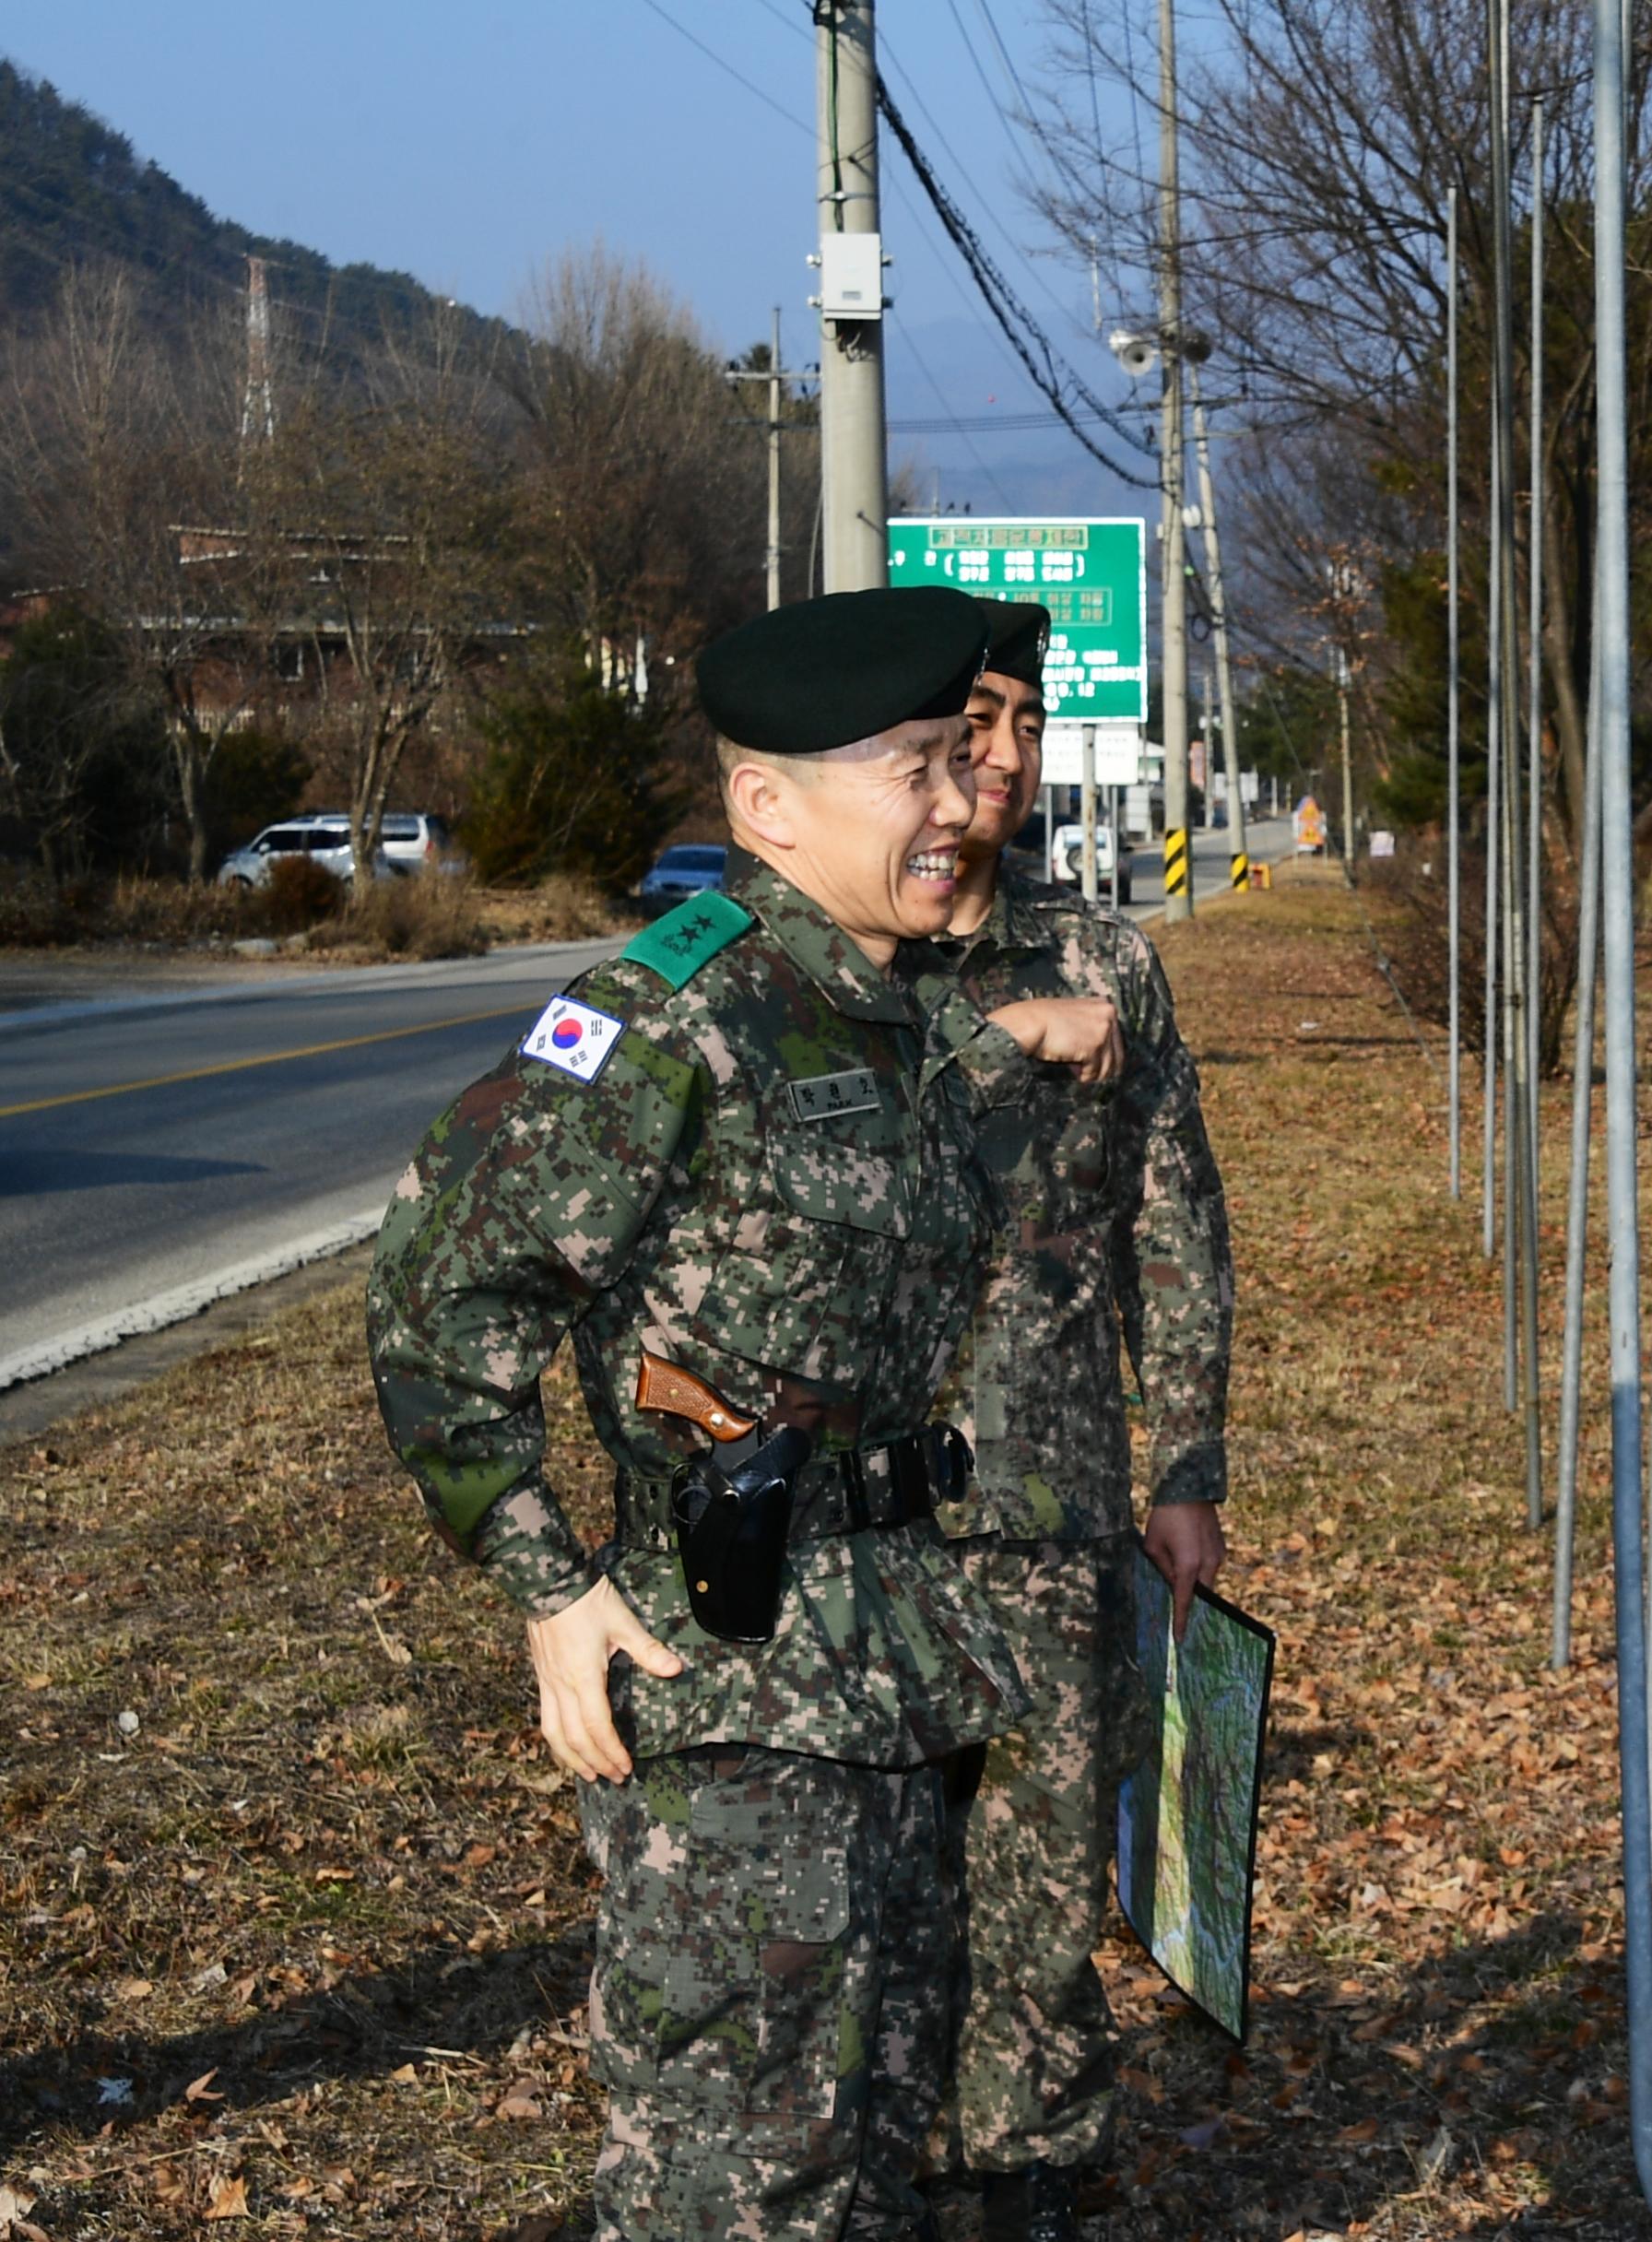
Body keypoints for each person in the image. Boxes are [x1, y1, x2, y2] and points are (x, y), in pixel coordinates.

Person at [366, 584, 1123, 2242]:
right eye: (910, 772)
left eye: (953, 761)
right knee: (737, 2161)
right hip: (728, 1686)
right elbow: (440, 1302)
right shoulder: (663, 1021)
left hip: (903, 1666)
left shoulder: (895, 1006)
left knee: (878, 2136)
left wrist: (1017, 1052)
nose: (952, 807)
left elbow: (834, 1215)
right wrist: (552, 1590)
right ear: (766, 807)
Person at [901, 598, 1235, 2242]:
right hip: (849, 1545)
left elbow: (1173, 1234)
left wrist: (1183, 1471)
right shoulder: (806, 966)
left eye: (1028, 725)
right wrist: (985, 1042)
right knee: (869, 1916)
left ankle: (1029, 2187)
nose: (1007, 762)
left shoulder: (1105, 957)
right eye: (975, 722)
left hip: (1050, 1515)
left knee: (1040, 1915)